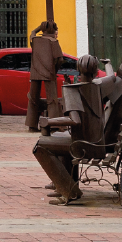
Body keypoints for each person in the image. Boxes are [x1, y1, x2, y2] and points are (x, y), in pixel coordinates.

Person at [33, 54, 105, 205]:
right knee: (62, 139)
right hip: (98, 142)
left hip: (83, 145)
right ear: (96, 71)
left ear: (78, 69)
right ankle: (67, 186)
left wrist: (48, 121)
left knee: (41, 145)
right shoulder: (98, 86)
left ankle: (68, 191)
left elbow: (75, 121)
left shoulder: (73, 90)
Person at [26, 20, 69, 133]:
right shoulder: (53, 41)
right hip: (49, 72)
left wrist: (38, 28)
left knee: (33, 99)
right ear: (53, 30)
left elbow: (32, 33)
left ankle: (32, 125)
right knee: (52, 100)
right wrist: (55, 70)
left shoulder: (35, 39)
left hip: (35, 72)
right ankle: (54, 125)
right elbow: (60, 59)